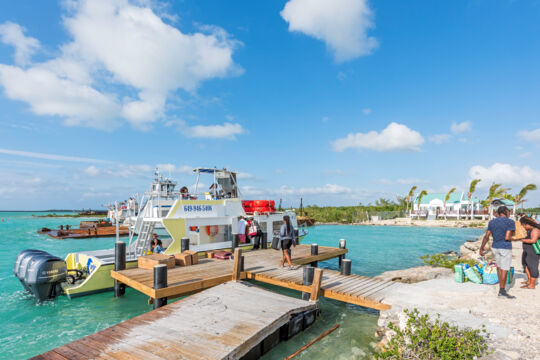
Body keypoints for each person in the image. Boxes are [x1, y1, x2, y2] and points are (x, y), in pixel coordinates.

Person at [479, 206, 519, 298]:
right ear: (505, 211)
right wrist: (517, 238)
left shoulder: (492, 222)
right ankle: (502, 291)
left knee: (499, 267)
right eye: (509, 211)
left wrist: (481, 248)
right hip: (505, 247)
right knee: (504, 268)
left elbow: (486, 236)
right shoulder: (510, 222)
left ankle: (501, 287)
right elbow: (507, 237)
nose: (509, 213)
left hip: (495, 247)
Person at [518, 217, 540, 289]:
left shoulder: (535, 230)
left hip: (533, 251)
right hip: (527, 250)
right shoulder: (529, 230)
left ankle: (532, 285)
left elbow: (533, 241)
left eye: (523, 225)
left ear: (527, 224)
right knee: (525, 264)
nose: (523, 227)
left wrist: (521, 240)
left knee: (533, 266)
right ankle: (529, 280)